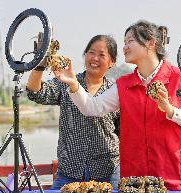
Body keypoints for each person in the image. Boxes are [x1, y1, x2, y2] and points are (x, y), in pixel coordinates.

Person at [52, 20, 181, 190]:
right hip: (136, 182)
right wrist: (73, 84)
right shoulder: (123, 84)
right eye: (124, 42)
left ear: (151, 43)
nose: (124, 47)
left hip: (177, 179)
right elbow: (92, 107)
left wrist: (169, 109)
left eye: (130, 41)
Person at [26, 35, 120, 190]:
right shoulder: (66, 81)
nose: (95, 58)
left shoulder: (115, 90)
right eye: (91, 52)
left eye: (102, 55)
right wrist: (41, 63)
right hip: (69, 171)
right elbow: (35, 92)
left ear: (112, 62)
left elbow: (124, 132)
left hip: (107, 171)